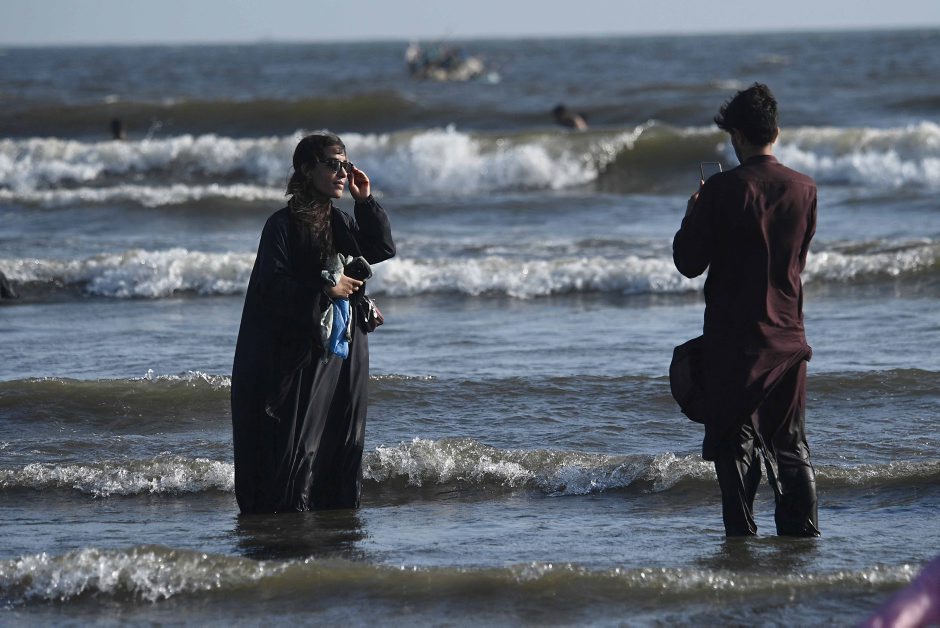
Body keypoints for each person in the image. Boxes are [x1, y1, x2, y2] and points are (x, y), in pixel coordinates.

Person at [672, 83, 819, 537]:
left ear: (737, 136)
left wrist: (692, 213)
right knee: (790, 444)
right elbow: (797, 260)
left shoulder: (721, 190)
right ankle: (803, 539)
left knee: (734, 443)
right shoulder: (805, 188)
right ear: (776, 131)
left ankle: (740, 540)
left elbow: (689, 262)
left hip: (733, 340)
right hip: (788, 336)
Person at [231, 132, 395, 514]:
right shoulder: (282, 225)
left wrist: (365, 201)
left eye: (346, 165)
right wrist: (325, 290)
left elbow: (380, 248)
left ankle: (336, 521)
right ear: (307, 170)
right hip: (302, 353)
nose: (342, 173)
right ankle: (289, 527)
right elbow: (271, 287)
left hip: (344, 349)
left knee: (343, 438)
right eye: (333, 165)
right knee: (296, 447)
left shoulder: (339, 220)